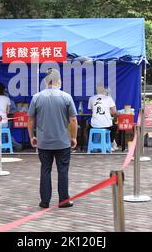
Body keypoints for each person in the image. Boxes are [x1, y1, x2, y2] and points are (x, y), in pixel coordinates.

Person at [27, 68, 78, 209]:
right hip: (62, 142)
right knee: (63, 171)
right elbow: (73, 120)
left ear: (46, 81)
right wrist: (73, 137)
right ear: (59, 81)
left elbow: (30, 120)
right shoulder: (66, 97)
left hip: (43, 142)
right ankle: (63, 200)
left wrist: (32, 137)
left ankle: (44, 201)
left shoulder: (37, 97)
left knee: (45, 170)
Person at [87, 84, 118, 150]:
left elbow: (92, 111)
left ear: (96, 91)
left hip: (94, 125)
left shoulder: (91, 98)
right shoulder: (109, 98)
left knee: (88, 128)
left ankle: (93, 145)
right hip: (107, 125)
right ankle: (111, 141)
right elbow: (114, 112)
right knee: (115, 126)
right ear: (104, 90)